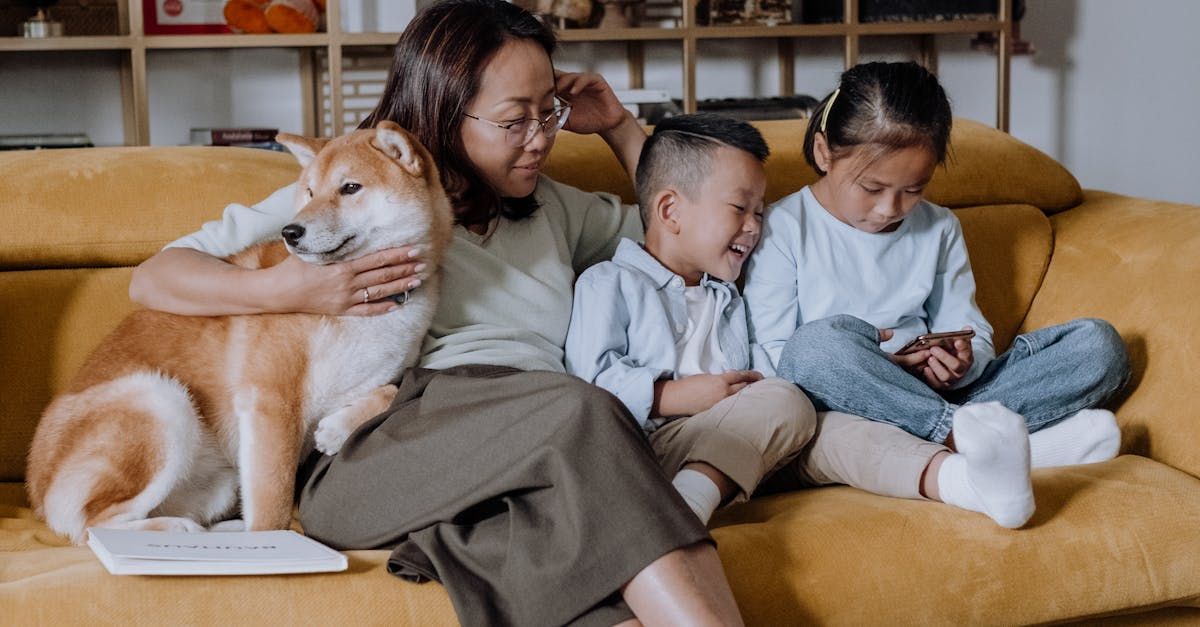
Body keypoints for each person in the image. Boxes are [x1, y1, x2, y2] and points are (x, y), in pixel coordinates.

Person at [129, 1, 744, 625]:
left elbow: (688, 230)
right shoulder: (351, 191)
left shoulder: (556, 209)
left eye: (547, 113)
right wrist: (290, 291)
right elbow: (155, 279)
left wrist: (620, 127)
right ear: (447, 111)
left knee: (608, 598)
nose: (541, 139)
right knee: (582, 409)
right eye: (514, 120)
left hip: (524, 455)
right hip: (382, 445)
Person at [743, 61, 1131, 529]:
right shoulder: (785, 228)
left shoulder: (939, 227)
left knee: (1099, 345)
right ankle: (968, 439)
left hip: (936, 395)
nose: (890, 209)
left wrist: (964, 358)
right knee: (817, 346)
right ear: (825, 152)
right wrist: (886, 369)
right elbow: (780, 359)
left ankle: (964, 437)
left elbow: (971, 326)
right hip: (847, 404)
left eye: (913, 189)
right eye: (872, 187)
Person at [565, 113, 818, 526]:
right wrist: (678, 396)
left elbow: (761, 369)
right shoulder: (608, 282)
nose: (754, 227)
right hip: (653, 444)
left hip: (738, 432)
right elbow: (589, 388)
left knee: (825, 425)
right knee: (787, 402)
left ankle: (945, 476)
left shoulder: (728, 296)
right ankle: (686, 507)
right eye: (740, 208)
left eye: (760, 211)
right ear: (670, 210)